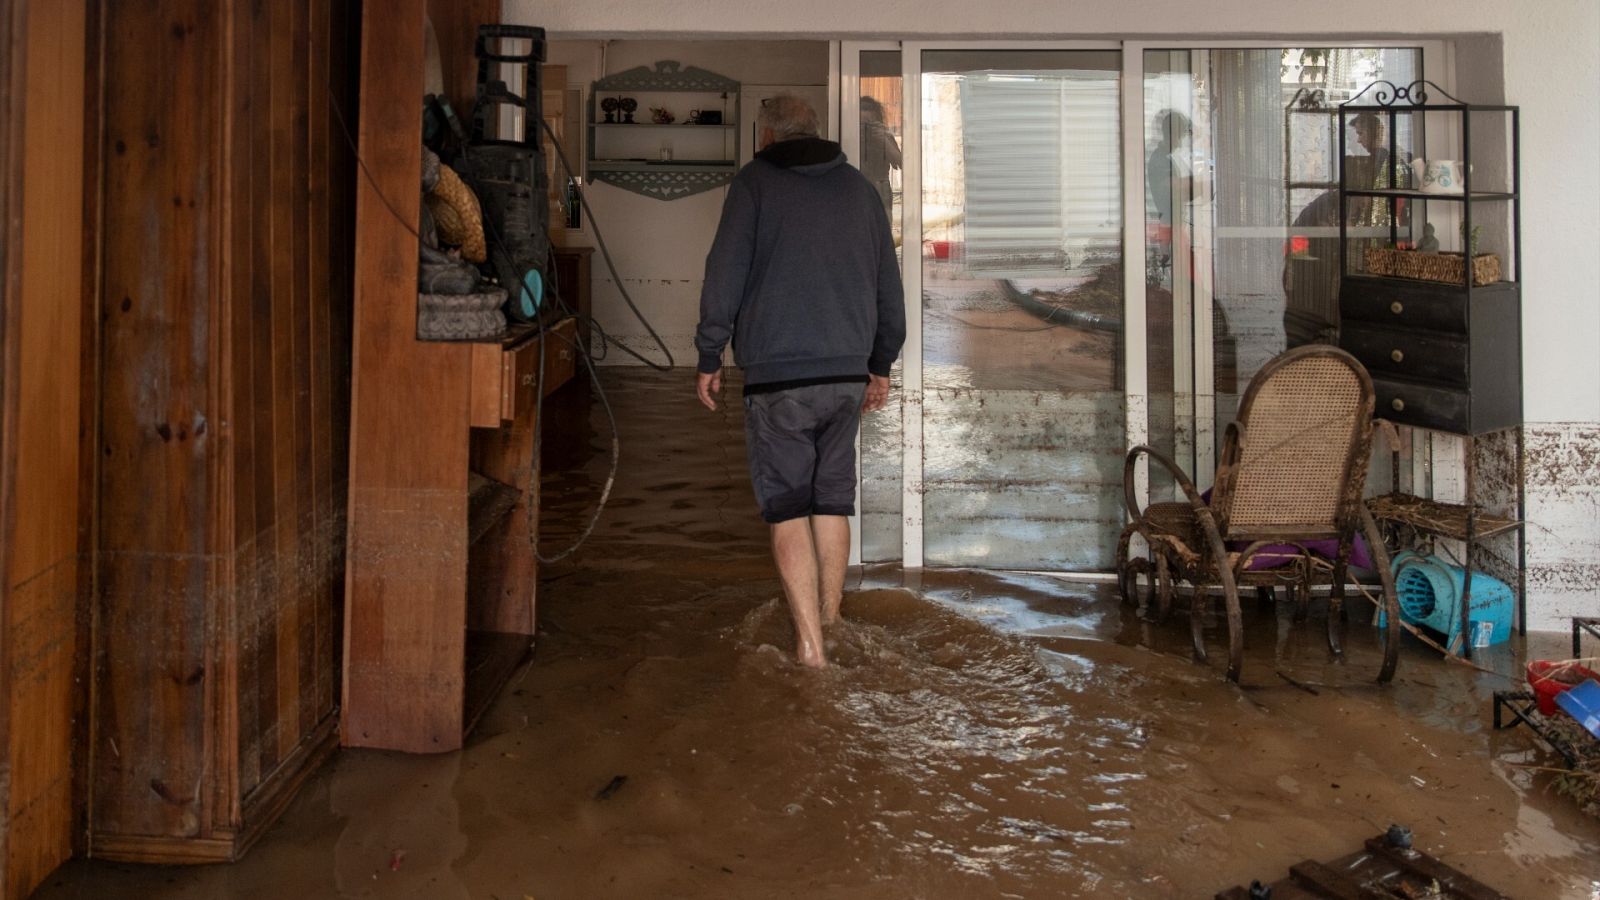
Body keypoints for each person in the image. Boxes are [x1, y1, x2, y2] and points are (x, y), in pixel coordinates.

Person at [694, 94, 906, 669]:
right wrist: (881, 363)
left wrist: (709, 353)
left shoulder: (754, 185)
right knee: (831, 502)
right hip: (845, 378)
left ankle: (810, 649)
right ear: (817, 131)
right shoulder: (861, 191)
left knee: (788, 509)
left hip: (778, 379)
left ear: (766, 136)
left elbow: (724, 273)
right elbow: (889, 284)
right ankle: (833, 622)